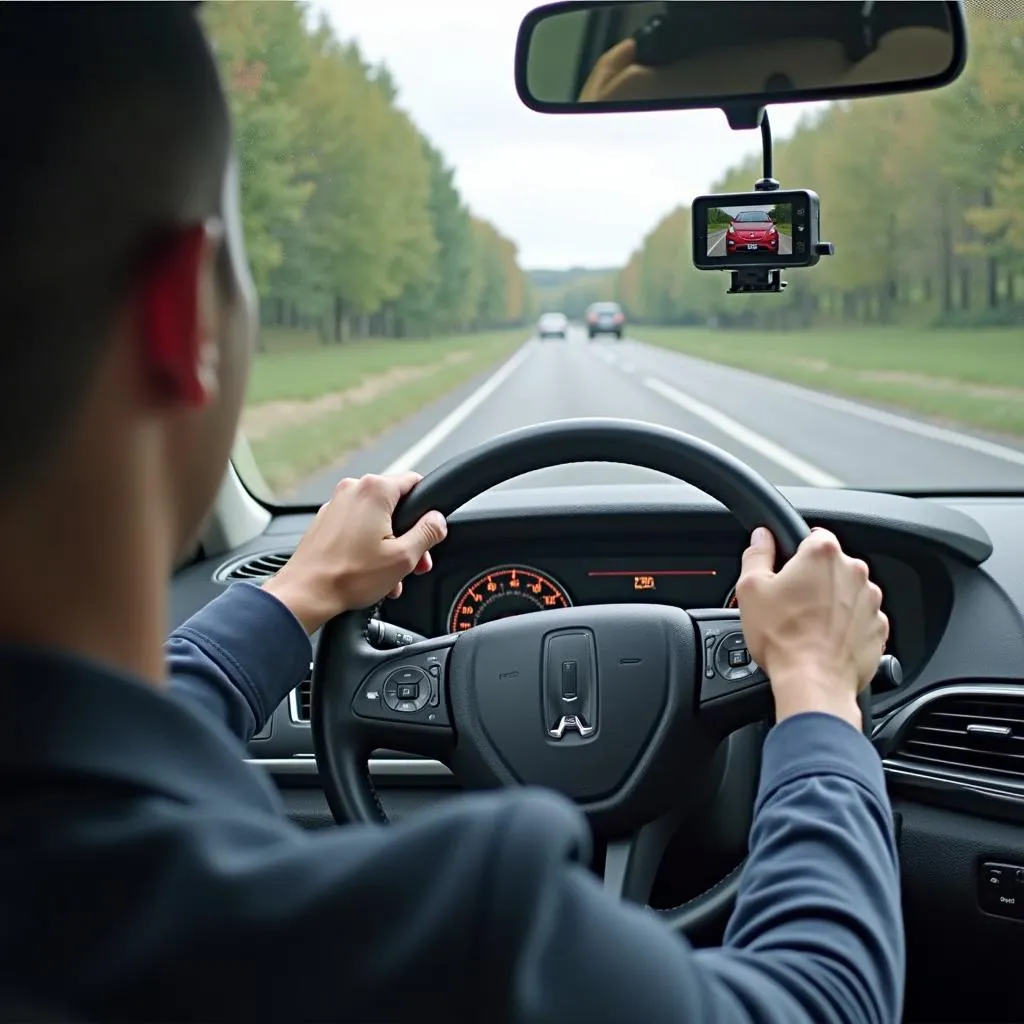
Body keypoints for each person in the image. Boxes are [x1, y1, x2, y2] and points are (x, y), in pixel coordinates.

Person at [0, 5, 901, 1023]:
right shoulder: (447, 949)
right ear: (186, 317)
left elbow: (121, 732)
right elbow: (822, 1000)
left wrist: (296, 595)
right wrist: (818, 690)